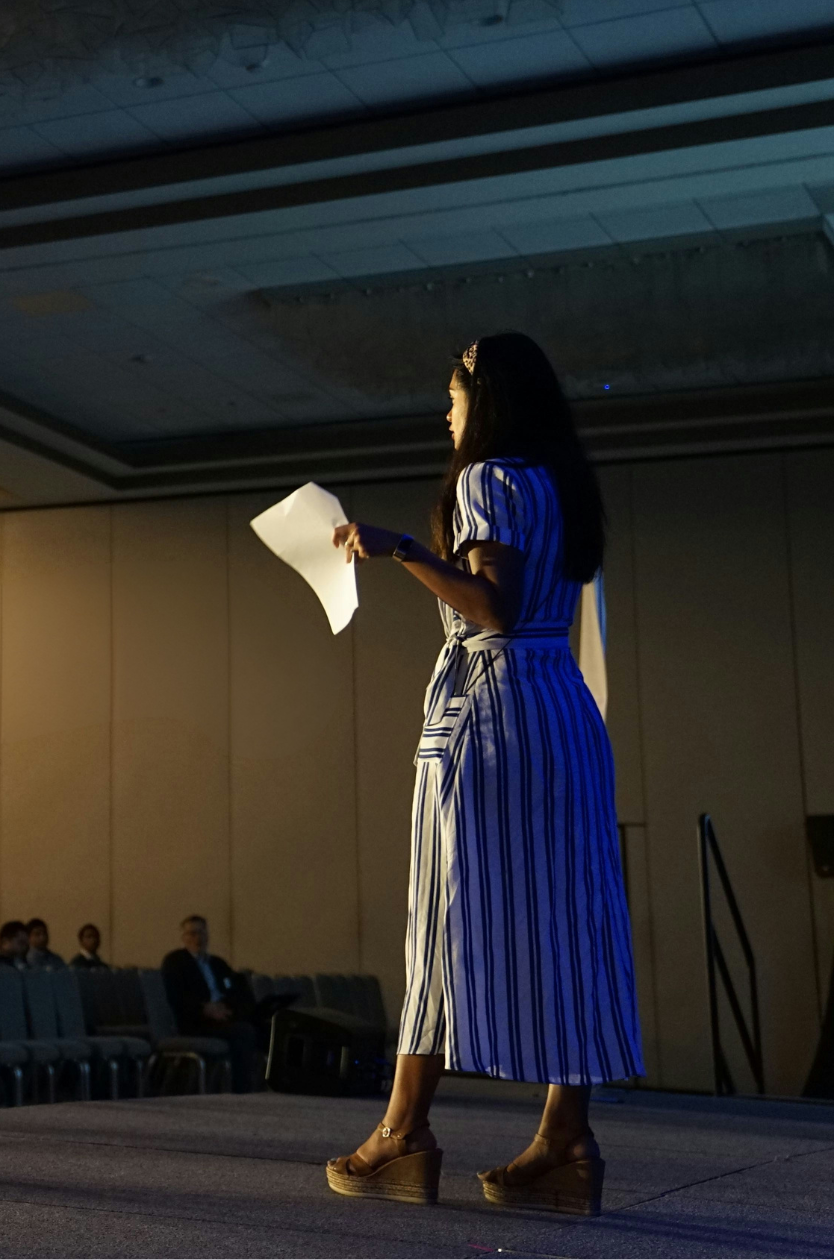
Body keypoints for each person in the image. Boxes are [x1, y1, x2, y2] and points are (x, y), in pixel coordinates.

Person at [326, 334, 642, 1213]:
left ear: (487, 398)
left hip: (493, 712)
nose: (447, 410)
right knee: (577, 918)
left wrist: (401, 549)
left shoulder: (485, 479)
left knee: (442, 914)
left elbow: (493, 609)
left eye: (454, 395)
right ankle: (566, 1139)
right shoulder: (563, 483)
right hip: (563, 708)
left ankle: (402, 1133)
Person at [160, 916, 258, 1093]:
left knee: (262, 1025)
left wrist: (225, 1006)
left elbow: (235, 991)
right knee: (243, 1032)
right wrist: (204, 1009)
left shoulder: (218, 963)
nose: (198, 938)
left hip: (224, 1015)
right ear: (184, 938)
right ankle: (242, 1089)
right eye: (192, 933)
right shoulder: (175, 962)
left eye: (202, 933)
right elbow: (176, 997)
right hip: (197, 1021)